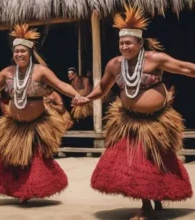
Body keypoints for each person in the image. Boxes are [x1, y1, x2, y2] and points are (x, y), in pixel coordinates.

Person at [74, 6, 193, 219]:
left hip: (156, 121)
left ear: (140, 43)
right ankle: (145, 204)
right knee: (137, 163)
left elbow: (186, 68)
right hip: (129, 120)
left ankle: (155, 197)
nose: (124, 46)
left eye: (129, 42)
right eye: (121, 43)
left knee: (155, 161)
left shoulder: (155, 59)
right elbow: (102, 88)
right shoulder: (114, 64)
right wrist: (86, 98)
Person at [0, 24, 85, 202]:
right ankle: (21, 192)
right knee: (13, 161)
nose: (19, 54)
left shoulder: (41, 71)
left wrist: (77, 95)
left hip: (38, 124)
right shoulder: (8, 72)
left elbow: (61, 85)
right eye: (16, 51)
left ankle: (31, 191)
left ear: (30, 52)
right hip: (15, 125)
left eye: (23, 51)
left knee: (36, 161)